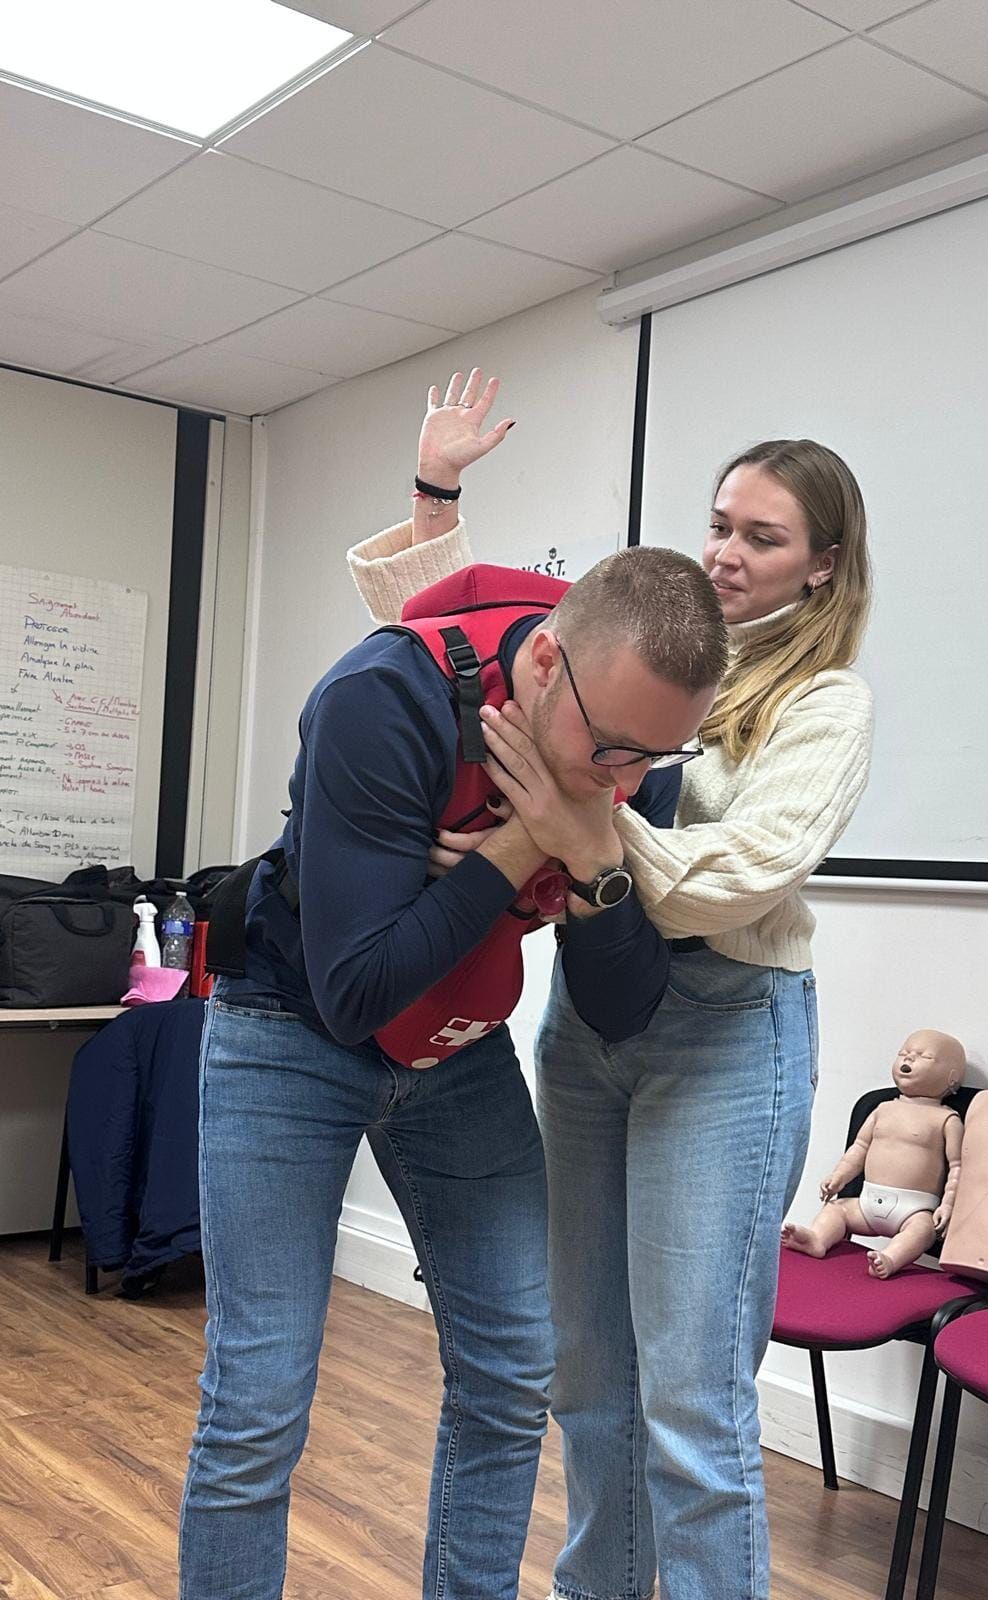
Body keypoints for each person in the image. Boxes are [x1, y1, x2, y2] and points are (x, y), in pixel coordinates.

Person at [348, 369, 875, 1600]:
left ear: (822, 565)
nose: (728, 553)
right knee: (587, 1383)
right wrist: (437, 494)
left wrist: (564, 813)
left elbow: (734, 876)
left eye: (763, 536)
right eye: (720, 523)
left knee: (690, 1408)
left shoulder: (829, 704)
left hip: (730, 1036)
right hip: (592, 1022)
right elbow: (482, 644)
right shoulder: (655, 660)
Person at [177, 511, 727, 1599]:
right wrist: (529, 846)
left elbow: (624, 1004)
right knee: (259, 1402)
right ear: (539, 662)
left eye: (653, 758)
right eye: (609, 749)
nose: (624, 779)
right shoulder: (384, 699)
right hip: (288, 1033)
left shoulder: (629, 749)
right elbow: (354, 989)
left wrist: (597, 862)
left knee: (514, 1371)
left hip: (455, 1050)